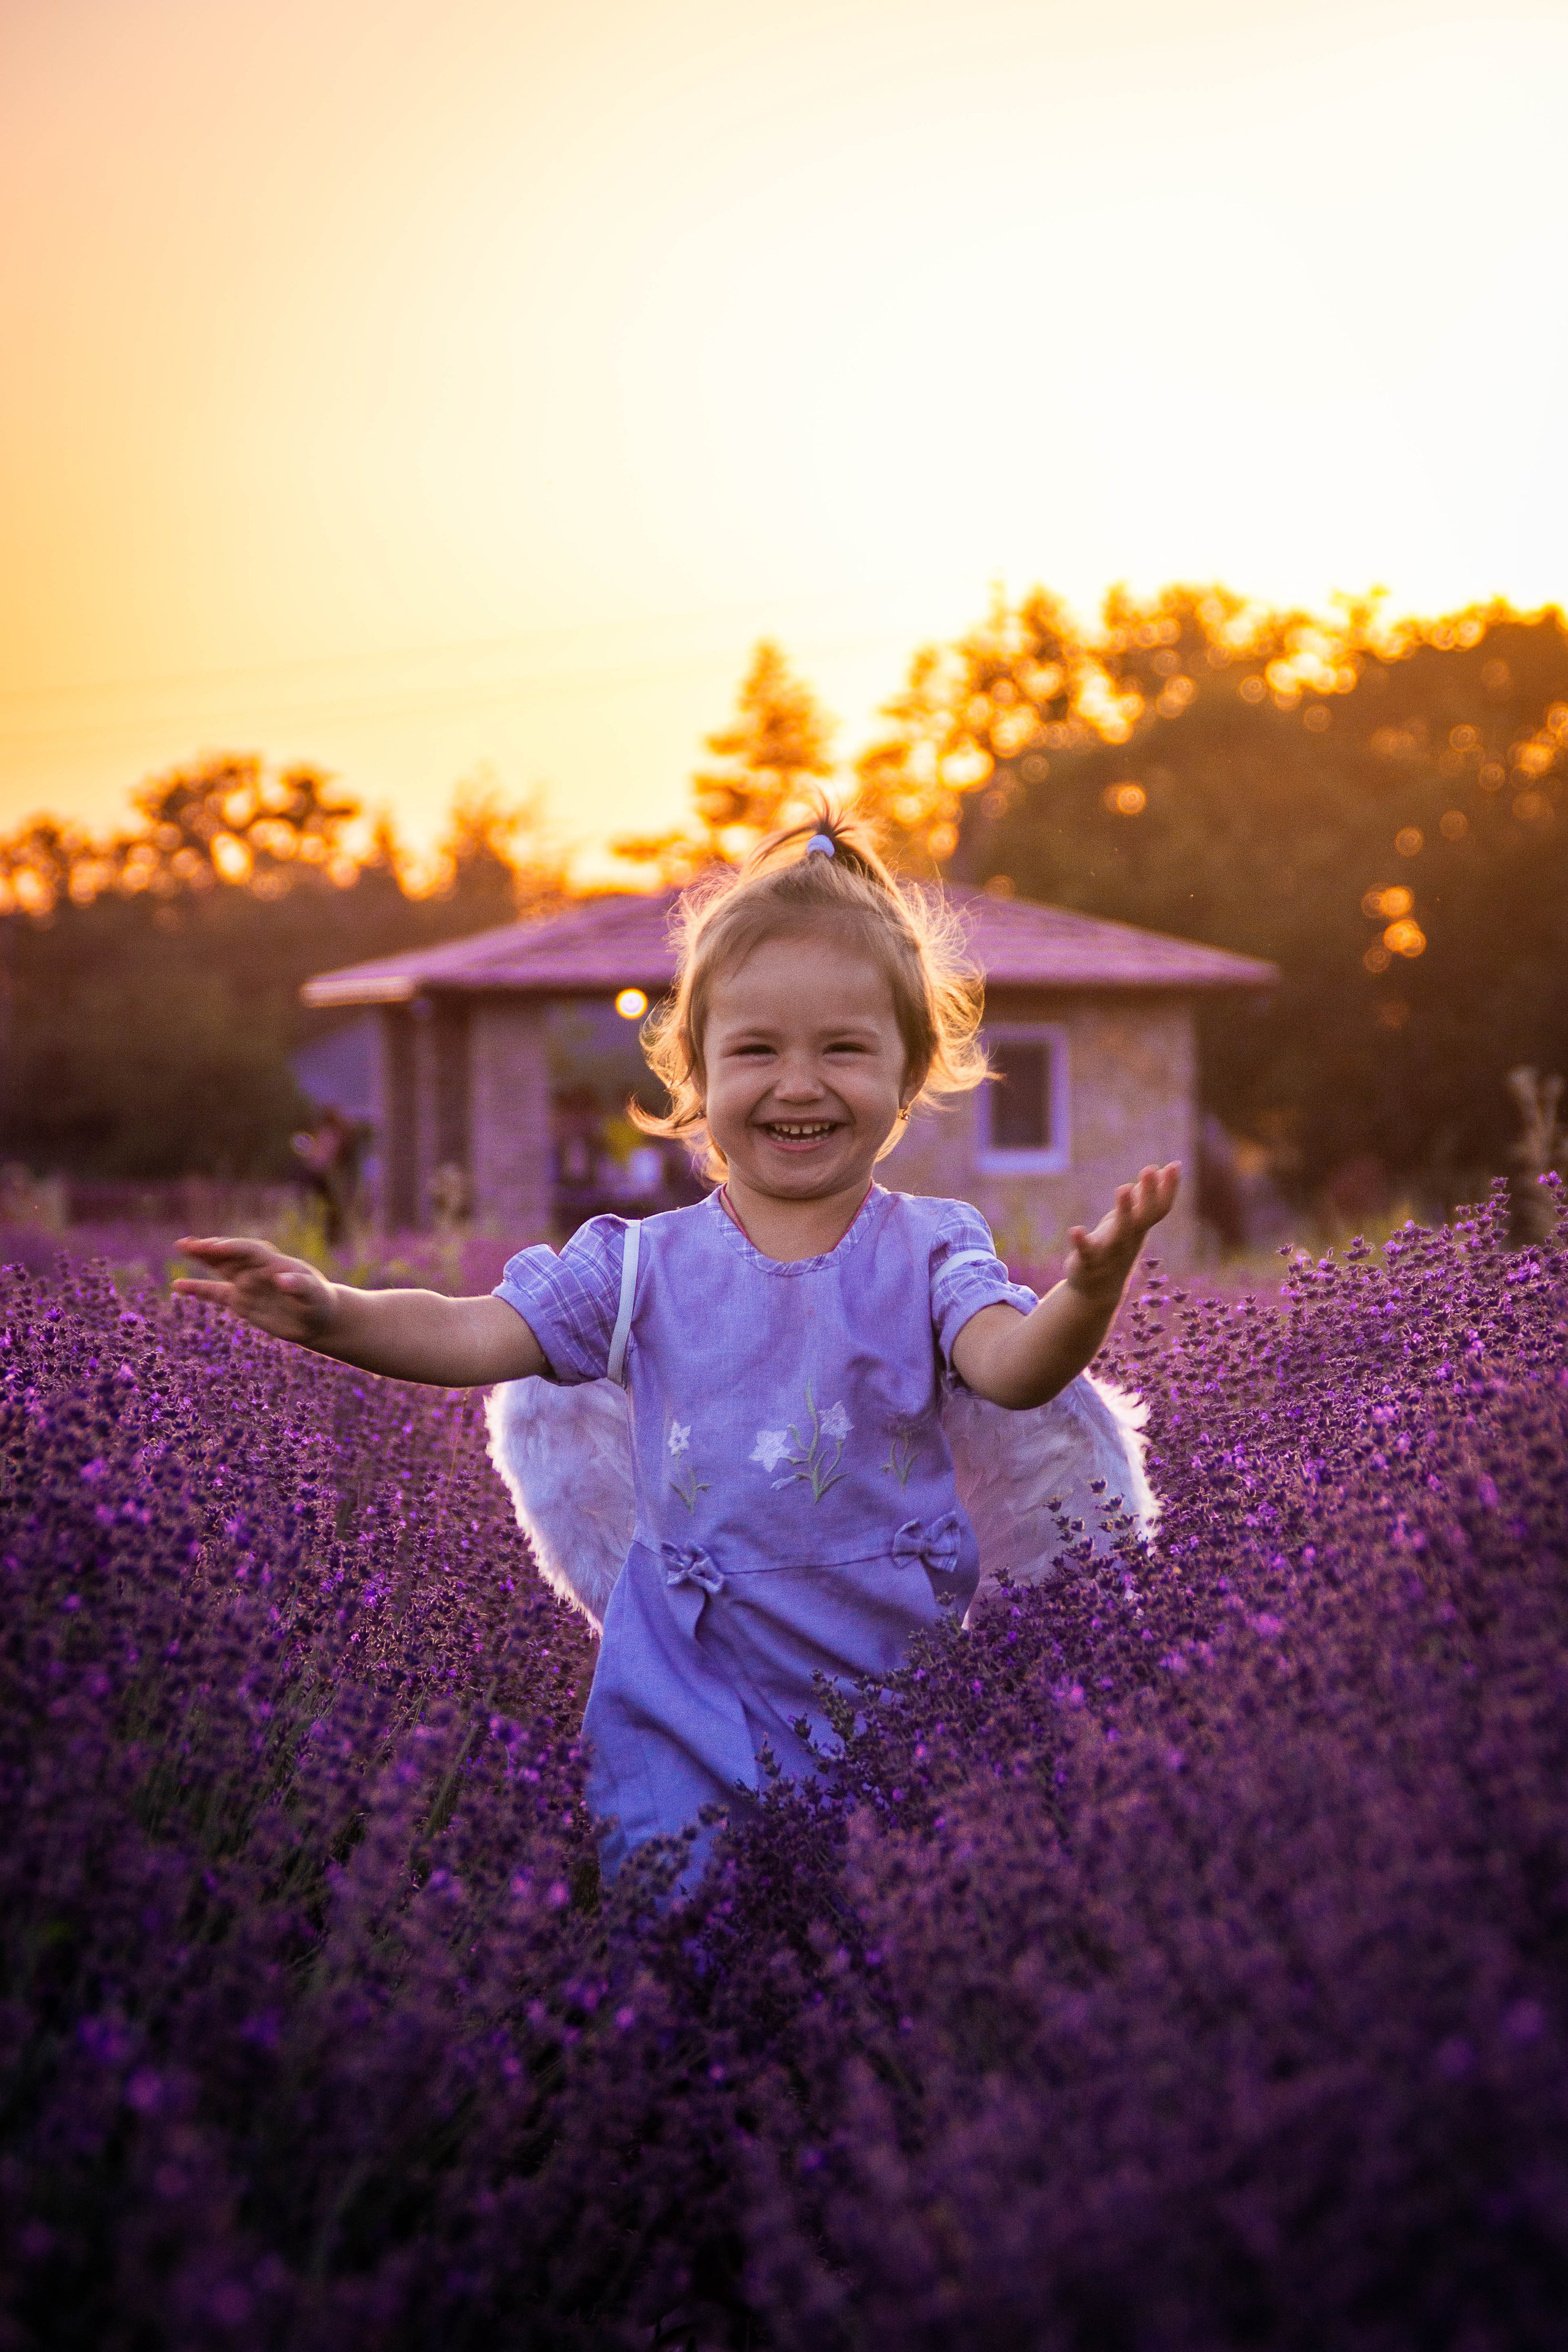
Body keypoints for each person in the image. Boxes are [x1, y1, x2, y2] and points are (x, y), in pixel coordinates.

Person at [176, 814, 1178, 1885]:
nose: (799, 1083)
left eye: (843, 1048)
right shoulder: (637, 1267)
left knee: (880, 1931)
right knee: (685, 1931)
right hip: (686, 1699)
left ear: (907, 1072)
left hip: (892, 1685)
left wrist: (1087, 1293)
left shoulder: (935, 1250)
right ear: (694, 1073)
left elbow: (1016, 1370)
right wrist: (335, 1312)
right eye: (756, 1050)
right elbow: (477, 1330)